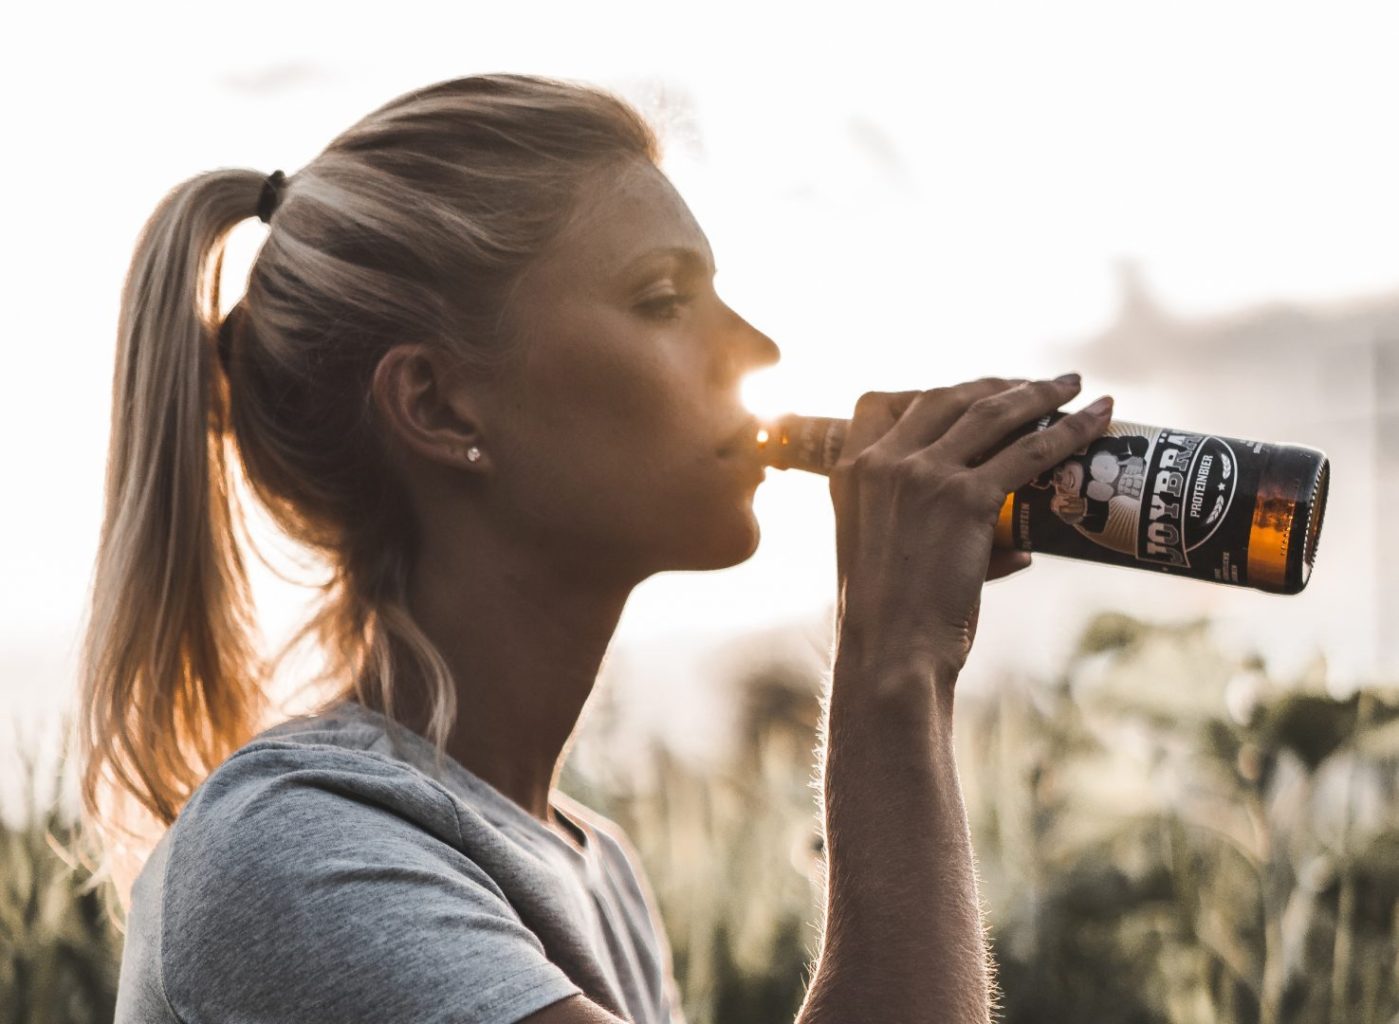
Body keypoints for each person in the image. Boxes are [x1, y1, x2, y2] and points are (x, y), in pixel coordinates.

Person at [76, 72, 1114, 1024]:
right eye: (662, 300)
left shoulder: (592, 867)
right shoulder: (294, 849)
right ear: (437, 404)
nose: (755, 348)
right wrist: (895, 668)